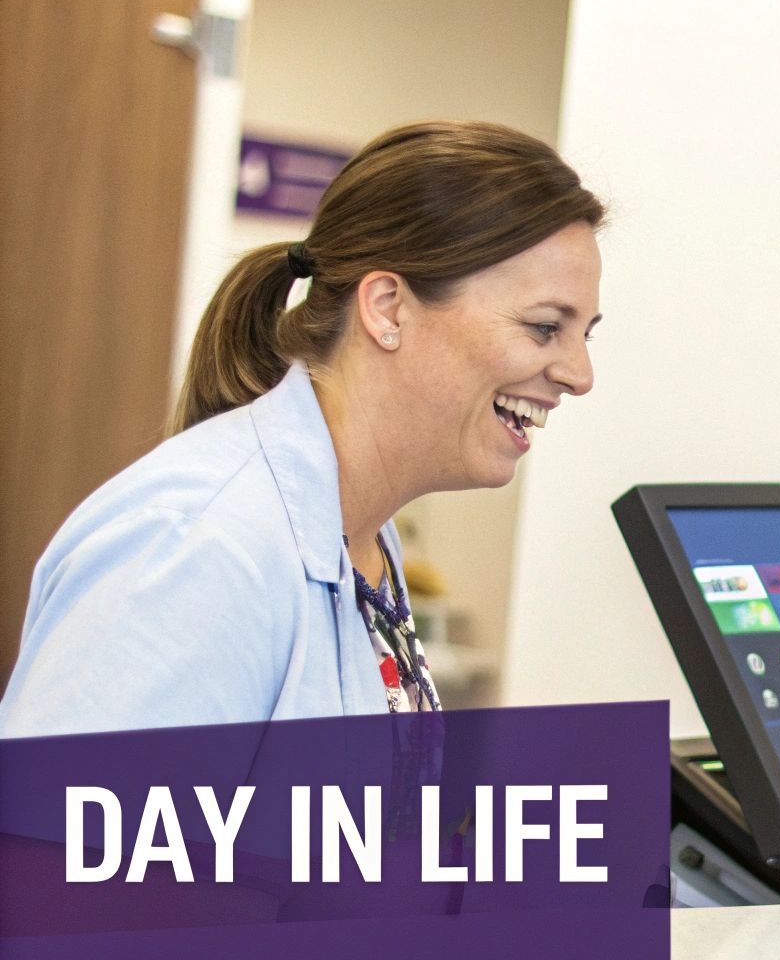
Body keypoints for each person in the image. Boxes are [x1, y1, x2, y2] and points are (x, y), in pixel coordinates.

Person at [0, 120, 604, 737]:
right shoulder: (198, 550)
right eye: (543, 327)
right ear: (387, 307)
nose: (579, 376)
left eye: (586, 333)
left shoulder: (363, 536)